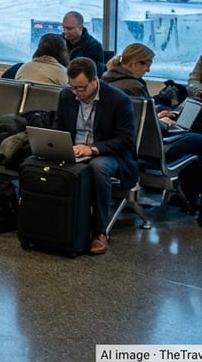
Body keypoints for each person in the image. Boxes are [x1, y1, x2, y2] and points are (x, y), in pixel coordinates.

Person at [104, 42, 202, 206]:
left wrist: (156, 115)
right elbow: (146, 128)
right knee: (200, 140)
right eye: (147, 65)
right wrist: (163, 123)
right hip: (145, 149)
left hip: (120, 144)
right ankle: (189, 198)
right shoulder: (134, 86)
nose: (148, 70)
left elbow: (131, 118)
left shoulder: (107, 79)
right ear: (136, 63)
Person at [54, 58, 137, 255]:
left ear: (95, 80)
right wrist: (60, 145)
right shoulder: (67, 96)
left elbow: (125, 140)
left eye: (81, 88)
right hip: (76, 150)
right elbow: (59, 126)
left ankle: (100, 231)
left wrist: (92, 149)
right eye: (73, 88)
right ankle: (58, 225)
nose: (77, 93)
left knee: (98, 167)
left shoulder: (118, 100)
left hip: (111, 155)